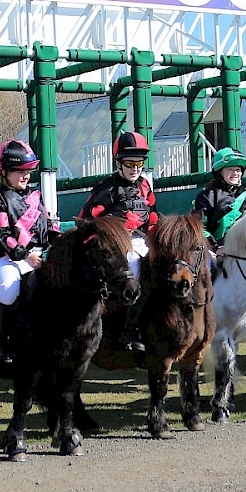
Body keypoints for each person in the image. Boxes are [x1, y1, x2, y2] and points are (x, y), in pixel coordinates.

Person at [78, 131, 159, 351]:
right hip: (116, 245)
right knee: (139, 271)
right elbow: (86, 219)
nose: (135, 168)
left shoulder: (145, 187)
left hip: (141, 241)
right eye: (130, 163)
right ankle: (129, 332)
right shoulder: (107, 188)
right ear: (119, 163)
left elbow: (152, 218)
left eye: (139, 163)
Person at [0, 140, 56, 366]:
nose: (26, 176)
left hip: (38, 257)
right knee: (9, 288)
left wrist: (62, 239)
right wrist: (25, 256)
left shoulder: (35, 195)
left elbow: (48, 225)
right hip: (7, 260)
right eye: (20, 171)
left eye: (28, 171)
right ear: (4, 172)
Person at [192, 147, 246, 253]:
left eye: (238, 170)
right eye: (230, 169)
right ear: (220, 171)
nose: (235, 173)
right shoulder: (207, 196)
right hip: (215, 251)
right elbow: (199, 227)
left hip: (245, 250)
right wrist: (215, 248)